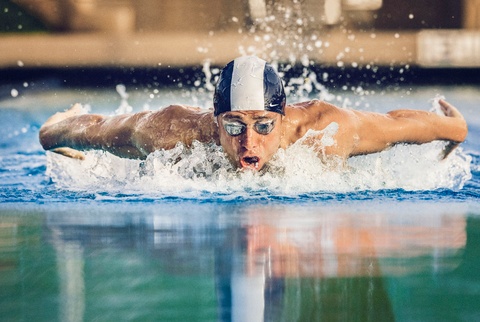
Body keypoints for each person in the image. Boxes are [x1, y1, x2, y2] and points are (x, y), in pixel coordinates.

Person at [39, 56, 468, 171]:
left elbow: (404, 126)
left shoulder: (327, 133)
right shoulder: (170, 132)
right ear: (213, 119)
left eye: (264, 126)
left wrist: (455, 126)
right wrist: (56, 130)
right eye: (233, 126)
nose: (249, 143)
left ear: (283, 118)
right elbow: (87, 130)